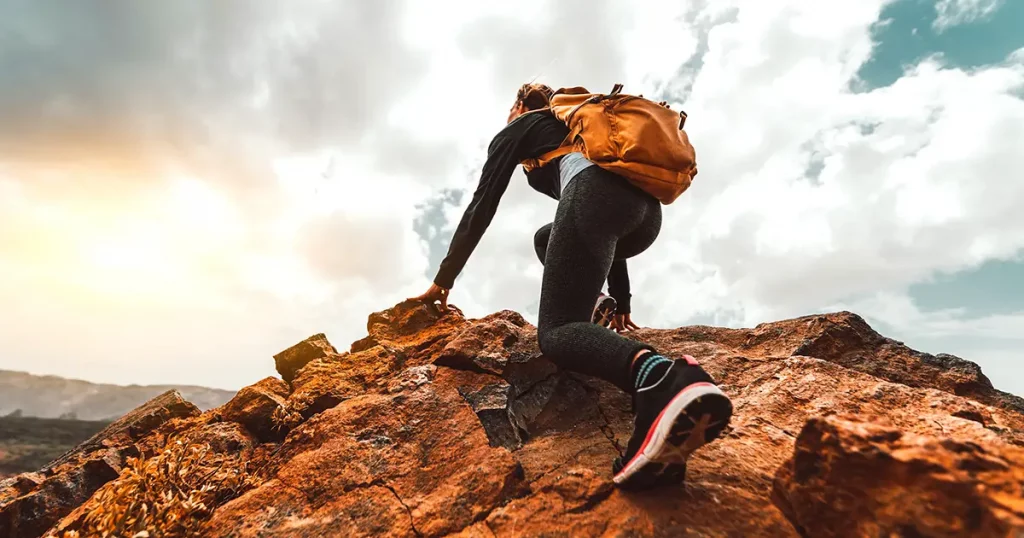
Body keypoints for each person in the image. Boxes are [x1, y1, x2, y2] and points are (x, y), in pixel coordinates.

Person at [409, 82, 732, 489]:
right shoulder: (572, 126)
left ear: (519, 104)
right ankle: (601, 313)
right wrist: (621, 300)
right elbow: (606, 219)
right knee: (548, 237)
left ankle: (663, 380)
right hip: (645, 216)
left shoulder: (521, 127)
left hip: (596, 198)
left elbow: (482, 204)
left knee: (559, 332)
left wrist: (444, 278)